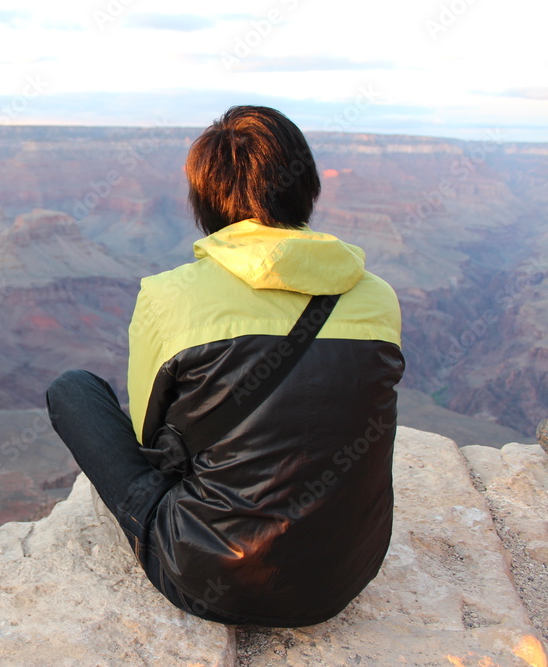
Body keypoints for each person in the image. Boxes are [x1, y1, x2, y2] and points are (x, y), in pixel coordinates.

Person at [45, 106, 405, 627]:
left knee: (73, 390)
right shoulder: (379, 298)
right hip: (348, 573)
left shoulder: (168, 296)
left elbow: (154, 440)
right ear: (307, 188)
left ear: (203, 201)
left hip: (213, 580)